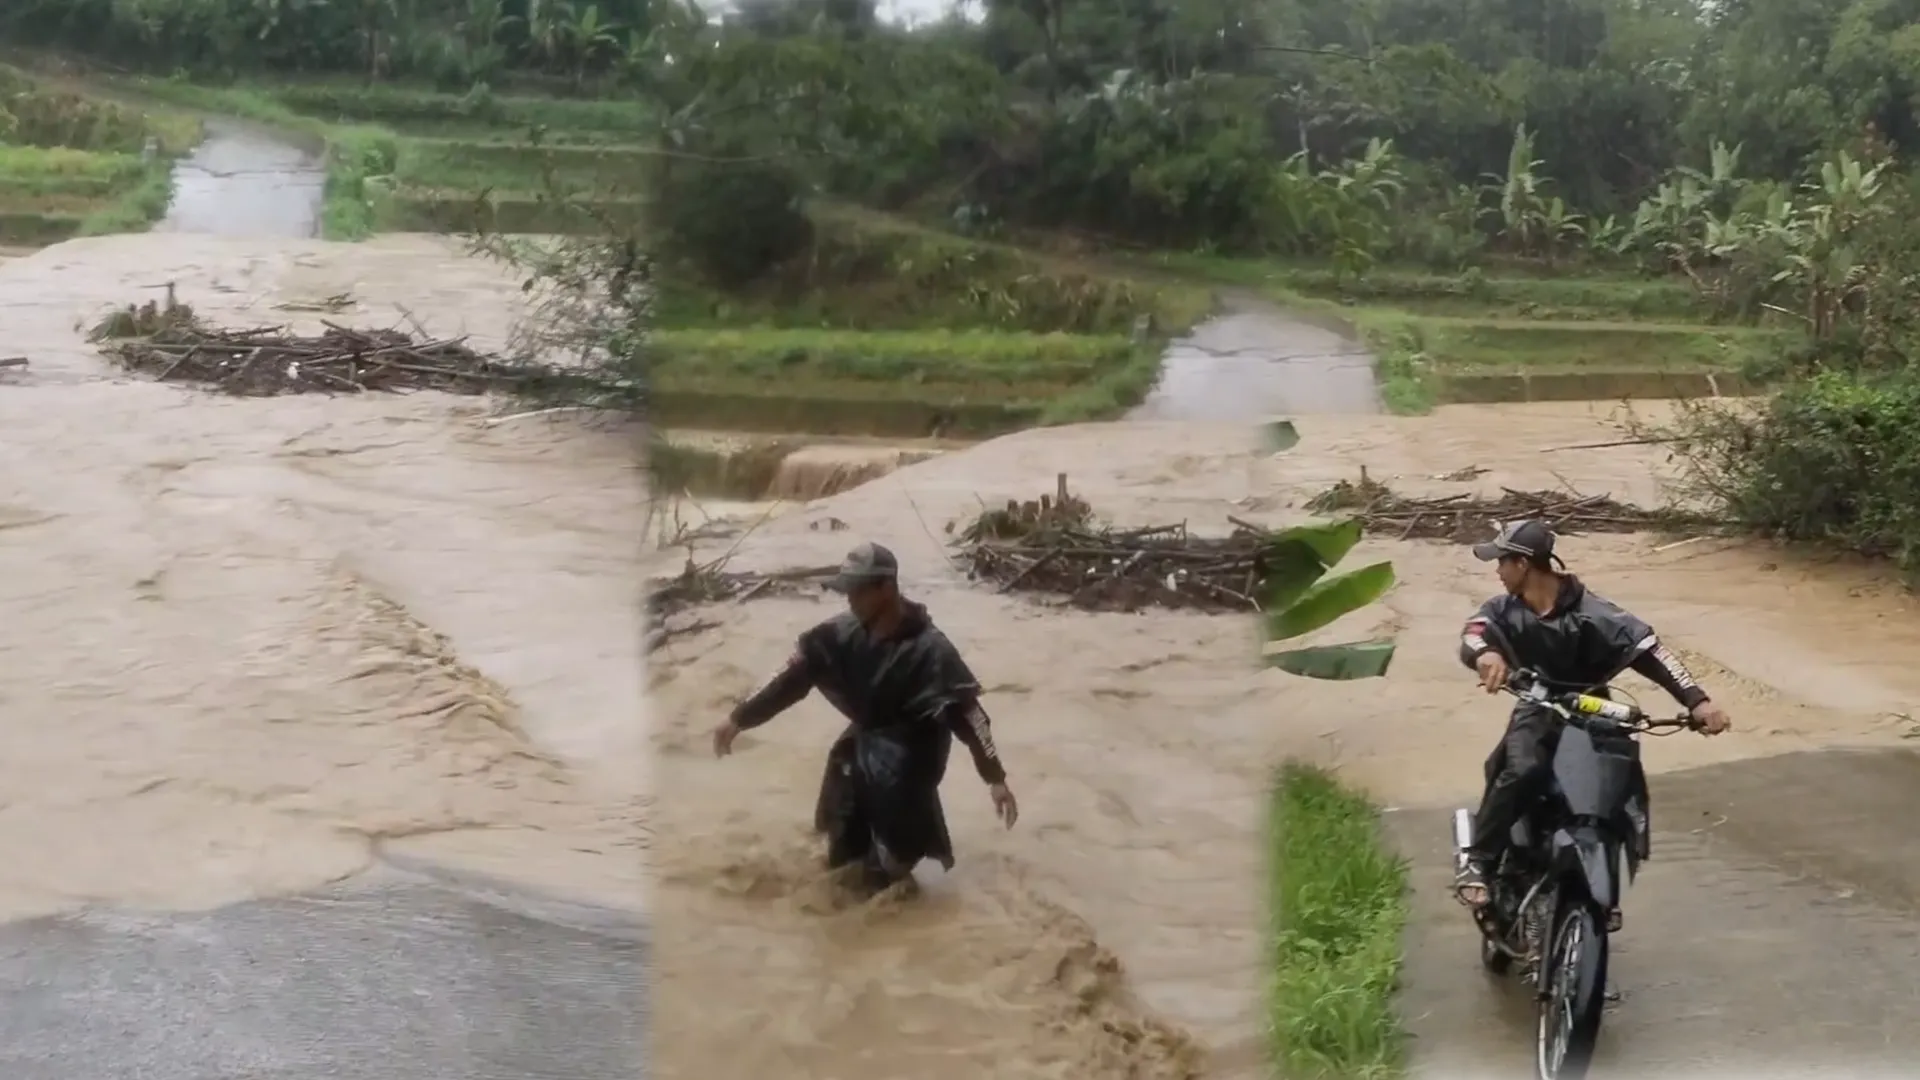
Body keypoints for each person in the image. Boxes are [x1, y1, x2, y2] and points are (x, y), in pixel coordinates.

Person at [710, 541, 1019, 893]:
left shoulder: (932, 651)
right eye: (847, 590)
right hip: (861, 747)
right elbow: (791, 677)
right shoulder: (840, 635)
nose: (849, 599)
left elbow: (971, 717)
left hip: (911, 760)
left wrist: (995, 779)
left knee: (889, 877)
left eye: (857, 591)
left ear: (886, 589)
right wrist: (738, 719)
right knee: (841, 867)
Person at [1454, 519, 1731, 910]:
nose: (1497, 572)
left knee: (1616, 789)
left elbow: (1652, 651)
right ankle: (1479, 862)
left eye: (1501, 562)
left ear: (1523, 564)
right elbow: (1473, 633)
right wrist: (1487, 654)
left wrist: (1698, 701)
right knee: (1523, 770)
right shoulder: (1501, 610)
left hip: (1595, 709)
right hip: (1537, 705)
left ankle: (1605, 886)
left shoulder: (1594, 613)